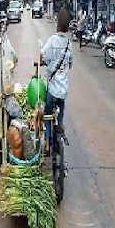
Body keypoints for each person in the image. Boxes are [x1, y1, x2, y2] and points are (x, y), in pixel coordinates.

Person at [40, 8, 72, 154]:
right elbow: (70, 63)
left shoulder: (53, 40)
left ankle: (46, 142)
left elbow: (43, 56)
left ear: (57, 23)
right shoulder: (68, 43)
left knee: (47, 113)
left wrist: (44, 62)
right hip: (63, 90)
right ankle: (61, 123)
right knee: (62, 105)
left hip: (52, 90)